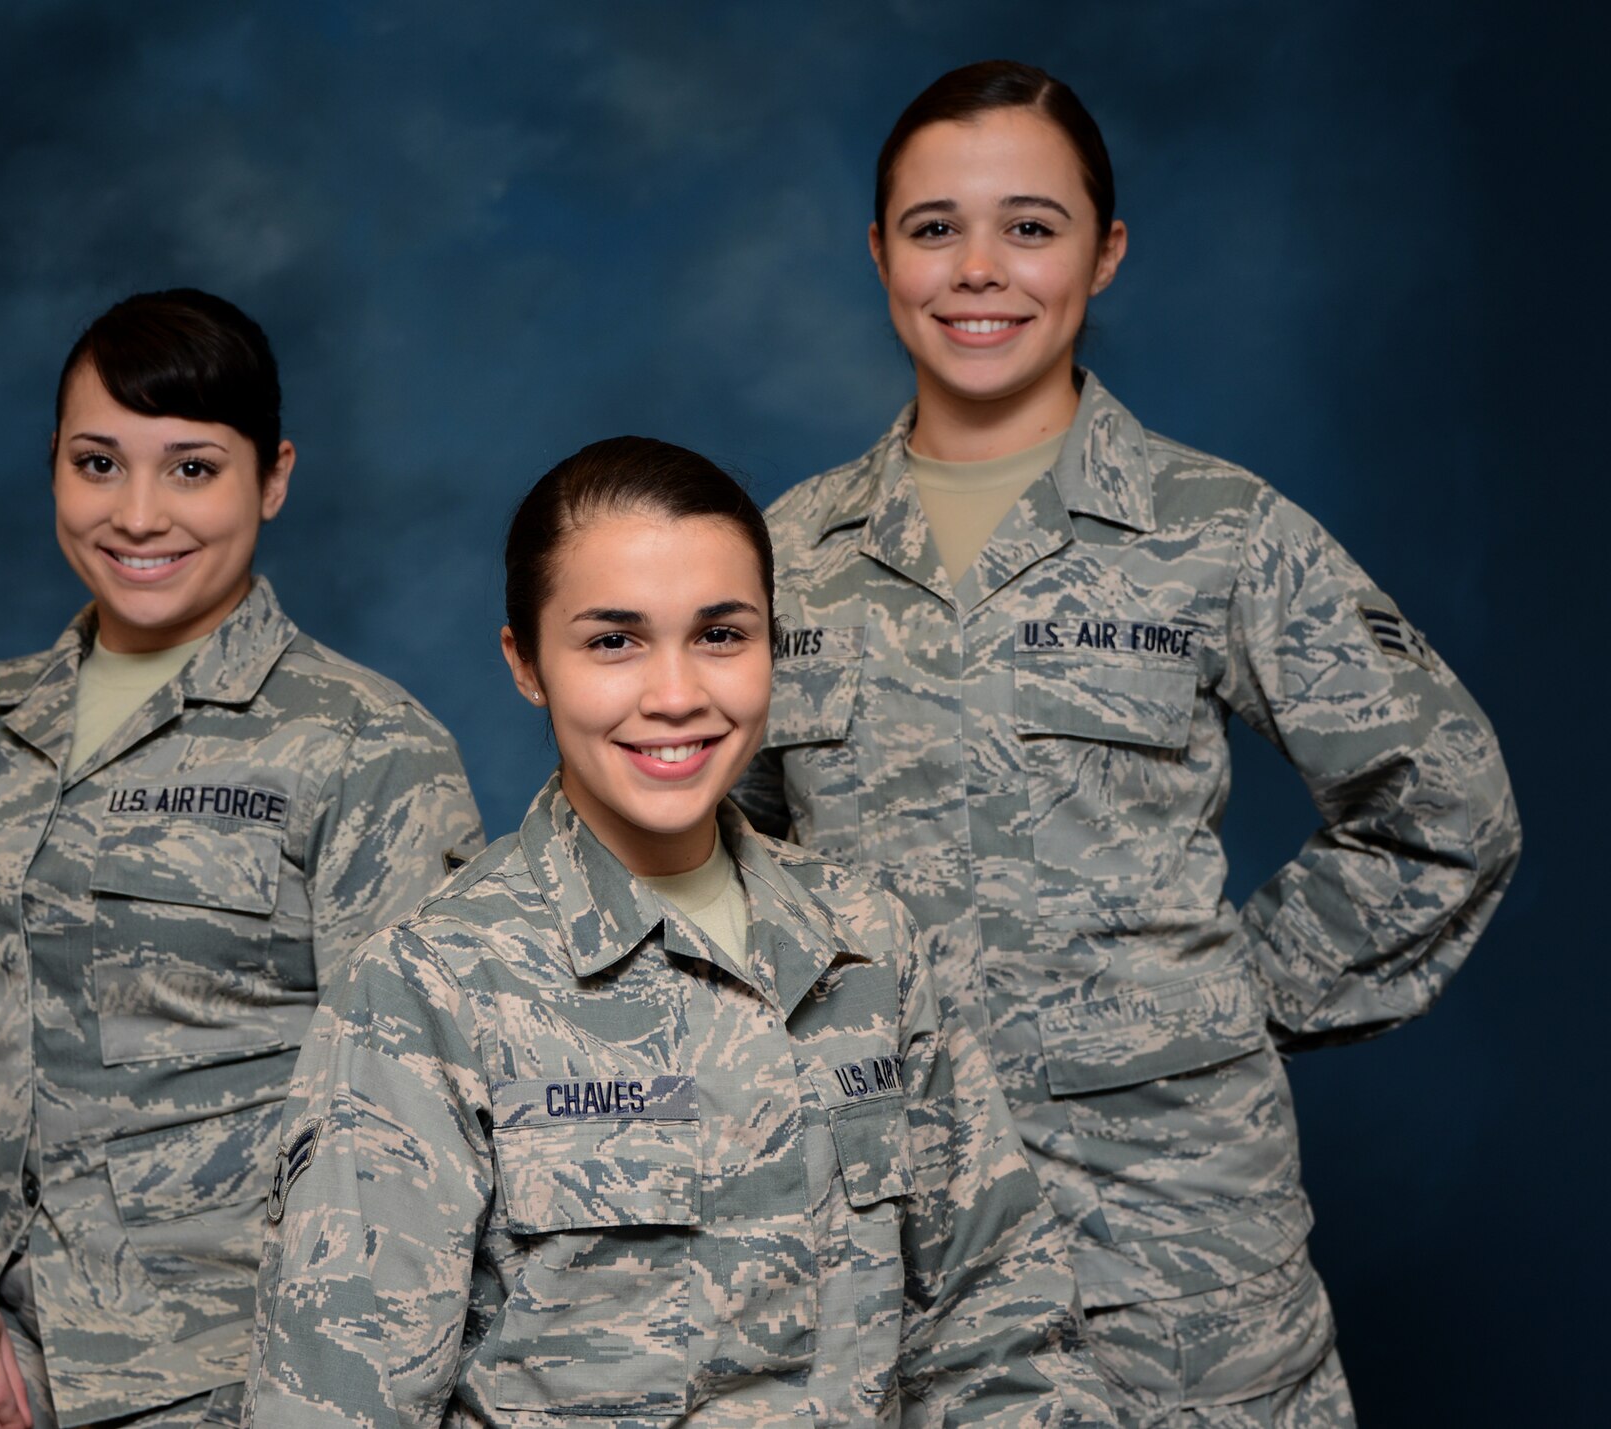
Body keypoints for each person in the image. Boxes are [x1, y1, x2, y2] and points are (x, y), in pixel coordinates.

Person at [733, 61, 1521, 1426]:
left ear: (1106, 251)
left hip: (1173, 1250)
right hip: (884, 1236)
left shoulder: (1219, 530)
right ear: (877, 254)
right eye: (935, 229)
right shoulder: (786, 554)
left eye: (1031, 227)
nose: (980, 269)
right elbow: (715, 862)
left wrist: (1222, 1004)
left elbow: (1444, 807)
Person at [0, 289, 485, 1429]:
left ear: (271, 479)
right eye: (98, 463)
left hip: (231, 1359)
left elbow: (418, 1125)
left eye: (191, 468)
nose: (137, 513)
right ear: (52, 469)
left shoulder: (369, 749)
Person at [245, 437, 1115, 1428]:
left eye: (720, 635)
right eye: (612, 641)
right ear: (524, 662)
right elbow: (333, 1406)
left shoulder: (869, 942)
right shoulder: (430, 987)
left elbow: (998, 1332)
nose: (674, 694)